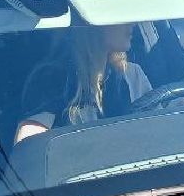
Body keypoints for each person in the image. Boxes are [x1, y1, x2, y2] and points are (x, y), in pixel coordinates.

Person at [14, 24, 152, 143]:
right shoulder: (53, 77)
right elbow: (31, 145)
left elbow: (154, 129)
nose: (133, 23)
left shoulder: (133, 74)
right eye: (119, 15)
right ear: (92, 25)